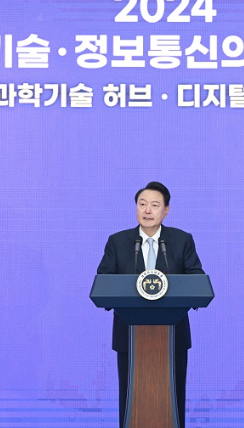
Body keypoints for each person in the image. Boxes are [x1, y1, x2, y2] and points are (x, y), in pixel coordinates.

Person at [97, 181, 205, 428]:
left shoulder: (182, 240)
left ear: (166, 210)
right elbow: (104, 281)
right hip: (129, 337)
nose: (147, 210)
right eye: (142, 204)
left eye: (154, 205)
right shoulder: (118, 241)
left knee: (173, 401)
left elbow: (196, 279)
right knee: (130, 401)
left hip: (173, 337)